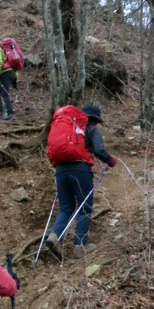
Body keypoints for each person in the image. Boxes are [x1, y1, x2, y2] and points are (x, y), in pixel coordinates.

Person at [46, 103, 117, 260]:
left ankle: (55, 236)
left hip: (60, 170)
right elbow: (99, 150)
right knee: (85, 206)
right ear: (95, 120)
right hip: (80, 170)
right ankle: (80, 246)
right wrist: (110, 160)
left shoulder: (70, 126)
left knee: (66, 208)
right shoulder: (91, 129)